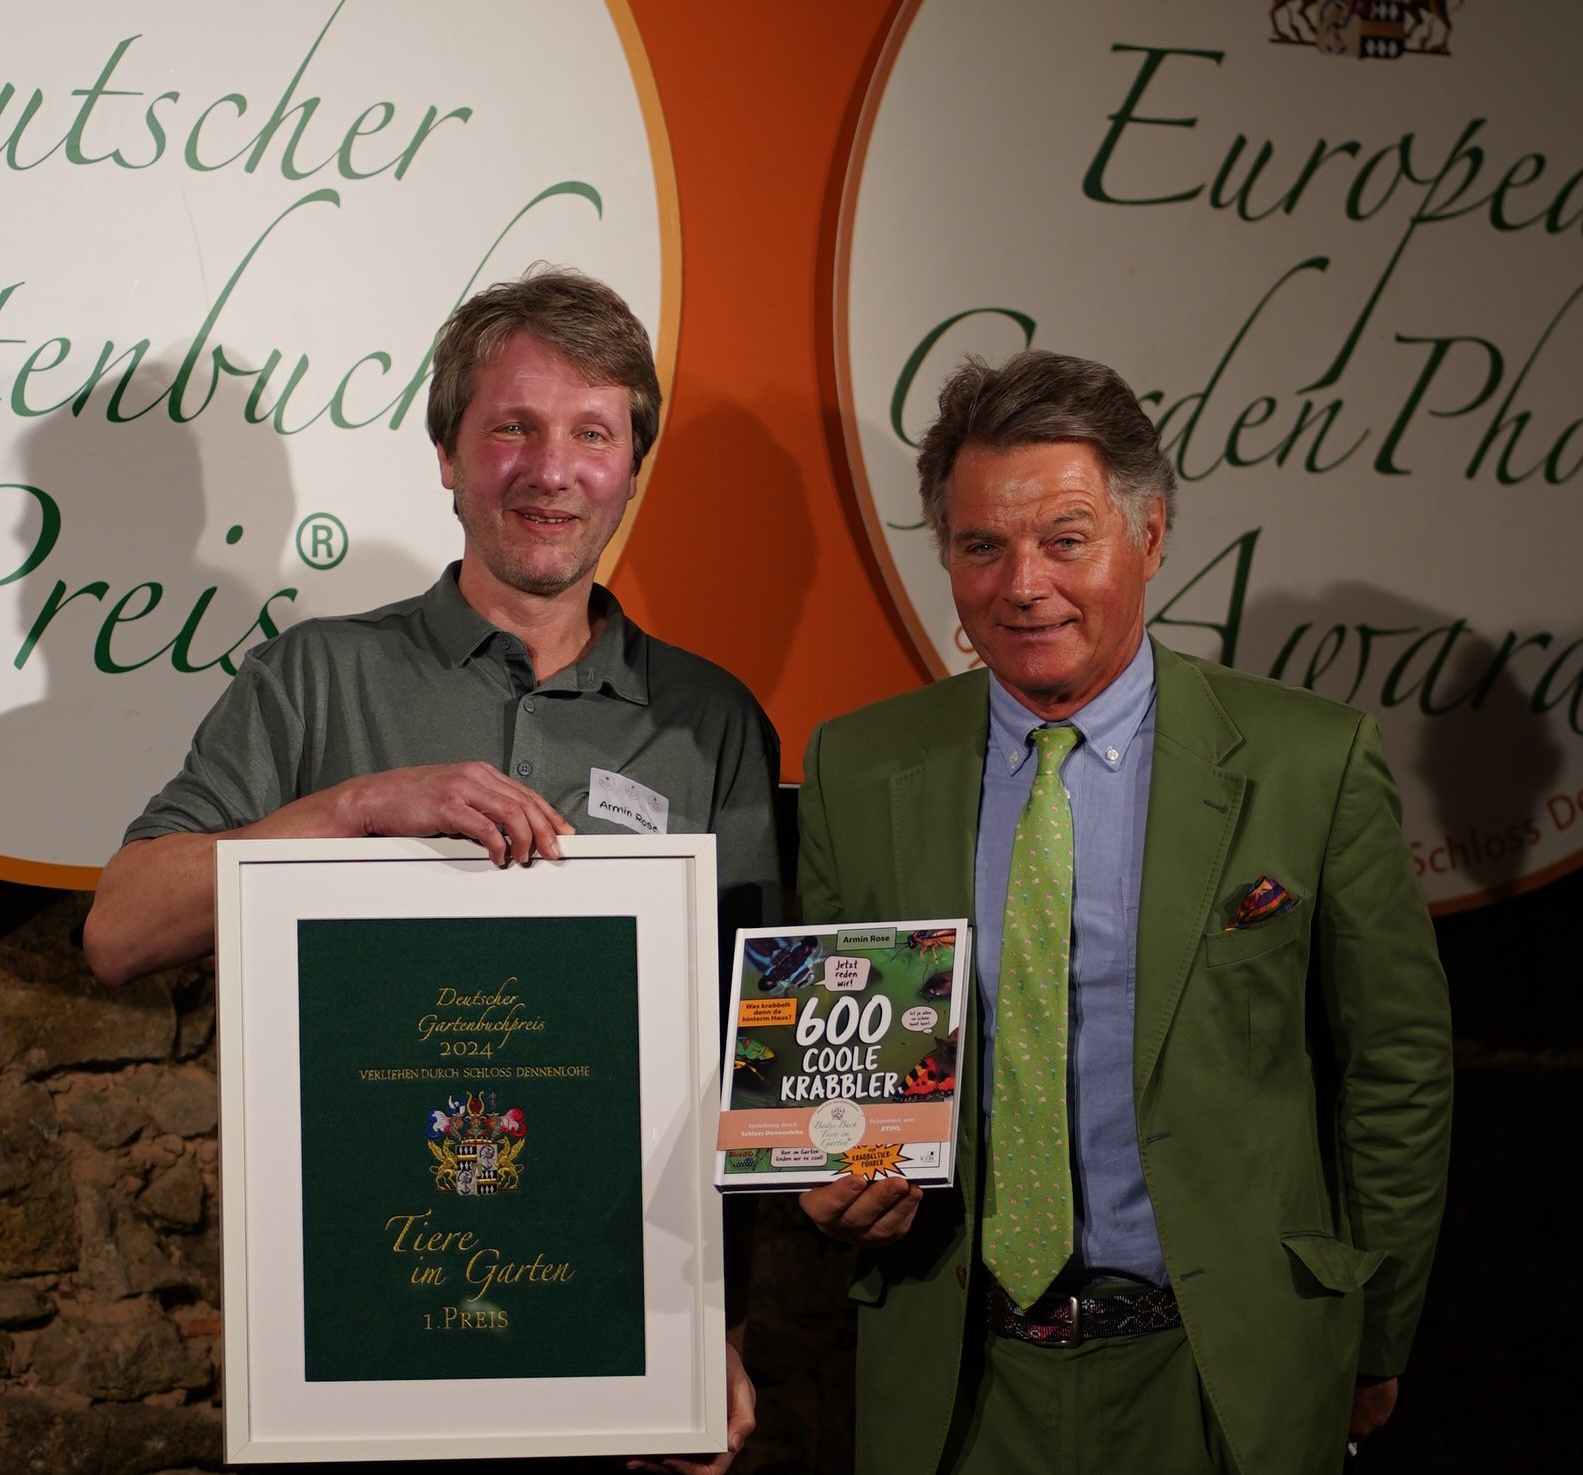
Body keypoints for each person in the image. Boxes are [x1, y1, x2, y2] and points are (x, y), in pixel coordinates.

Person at [84, 267, 773, 1474]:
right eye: (509, 426)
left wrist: (711, 1322)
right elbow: (120, 929)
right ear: (447, 455)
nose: (549, 469)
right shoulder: (314, 678)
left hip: (610, 1350)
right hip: (357, 1350)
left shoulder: (708, 720)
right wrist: (357, 806)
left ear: (628, 465)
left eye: (590, 434)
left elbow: (744, 1046)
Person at [792, 350, 1450, 1475]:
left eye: (1064, 538)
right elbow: (838, 1077)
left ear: (1147, 538)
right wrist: (827, 1182)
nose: (1021, 584)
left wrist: (1369, 1325)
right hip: (957, 1379)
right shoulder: (858, 767)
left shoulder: (1306, 761)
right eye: (979, 546)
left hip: (1220, 1376)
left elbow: (1394, 1060)